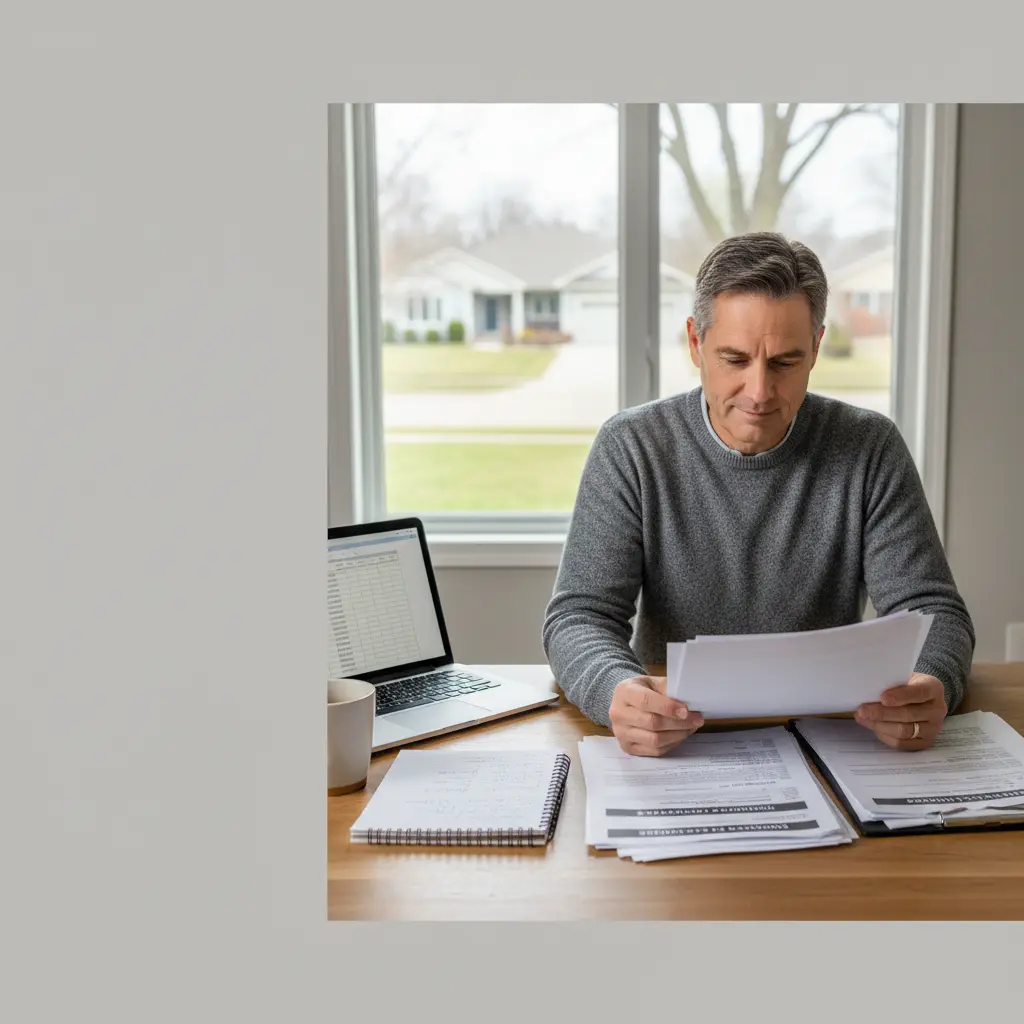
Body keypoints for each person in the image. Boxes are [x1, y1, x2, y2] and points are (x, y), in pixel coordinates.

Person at [542, 232, 974, 757]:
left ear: (815, 348)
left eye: (785, 362)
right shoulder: (632, 446)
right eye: (735, 358)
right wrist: (614, 688)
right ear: (696, 344)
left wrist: (932, 683)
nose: (759, 392)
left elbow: (932, 611)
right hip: (677, 743)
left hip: (832, 739)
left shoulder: (869, 447)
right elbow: (579, 617)